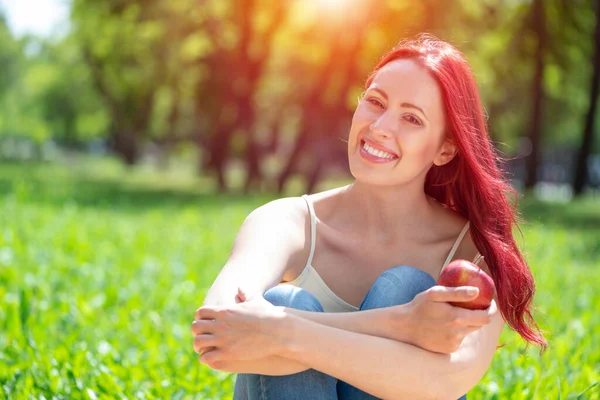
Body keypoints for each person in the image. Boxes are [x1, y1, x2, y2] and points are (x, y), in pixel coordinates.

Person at [191, 34, 548, 399]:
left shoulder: (472, 251)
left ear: (445, 149)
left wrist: (283, 333)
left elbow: (446, 381)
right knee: (287, 302)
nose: (380, 127)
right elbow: (214, 331)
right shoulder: (286, 223)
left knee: (405, 286)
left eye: (411, 118)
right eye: (376, 102)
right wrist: (402, 324)